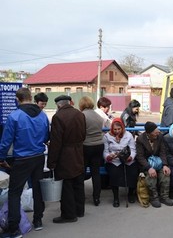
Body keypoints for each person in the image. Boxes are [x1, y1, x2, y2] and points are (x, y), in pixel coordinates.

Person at [0, 88, 49, 236]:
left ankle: (14, 228)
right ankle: (38, 220)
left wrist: (1, 158)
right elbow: (47, 136)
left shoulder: (15, 116)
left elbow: (6, 140)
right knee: (37, 188)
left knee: (15, 193)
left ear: (17, 99)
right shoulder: (43, 115)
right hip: (39, 157)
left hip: (22, 159)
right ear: (31, 97)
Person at [48, 95, 86, 224]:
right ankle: (80, 210)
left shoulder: (58, 117)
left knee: (66, 185)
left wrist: (51, 161)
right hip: (79, 152)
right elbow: (84, 134)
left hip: (65, 155)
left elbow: (56, 142)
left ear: (58, 105)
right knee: (78, 183)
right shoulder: (80, 114)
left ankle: (69, 215)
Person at [136, 121, 173, 208]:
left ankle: (164, 197)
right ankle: (154, 198)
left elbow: (163, 151)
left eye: (158, 132)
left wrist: (165, 165)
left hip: (158, 162)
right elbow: (140, 156)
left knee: (165, 174)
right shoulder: (140, 139)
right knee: (151, 176)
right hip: (146, 164)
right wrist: (149, 168)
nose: (157, 134)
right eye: (155, 133)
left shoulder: (160, 136)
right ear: (148, 133)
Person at [103, 118, 138, 207]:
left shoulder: (128, 135)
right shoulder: (107, 136)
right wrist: (109, 157)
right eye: (115, 129)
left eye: (119, 129)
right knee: (114, 173)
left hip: (127, 159)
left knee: (133, 172)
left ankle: (130, 193)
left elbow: (133, 149)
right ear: (112, 129)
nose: (117, 131)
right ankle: (116, 198)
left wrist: (130, 157)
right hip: (114, 161)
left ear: (122, 128)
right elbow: (105, 151)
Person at [79, 96, 104, 207]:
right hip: (99, 145)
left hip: (86, 146)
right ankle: (96, 197)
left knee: (82, 171)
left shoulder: (82, 116)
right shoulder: (98, 116)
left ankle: (81, 196)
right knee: (96, 173)